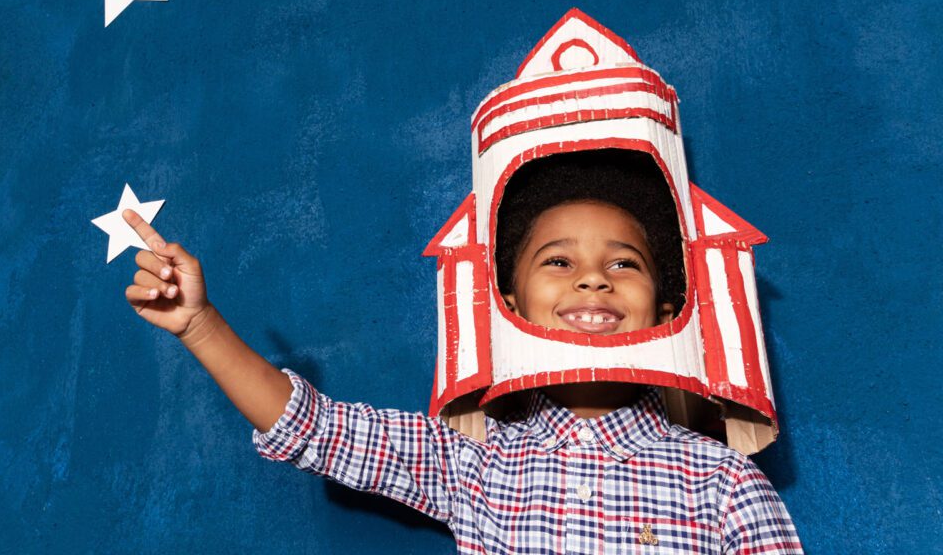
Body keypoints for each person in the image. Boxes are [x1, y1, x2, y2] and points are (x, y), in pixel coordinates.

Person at [118, 150, 804, 553]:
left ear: (665, 308)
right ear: (509, 305)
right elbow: (318, 431)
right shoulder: (476, 462)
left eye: (623, 264)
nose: (592, 277)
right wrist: (201, 325)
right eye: (558, 262)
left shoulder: (723, 482)